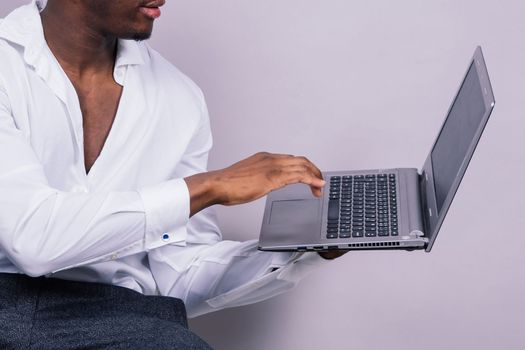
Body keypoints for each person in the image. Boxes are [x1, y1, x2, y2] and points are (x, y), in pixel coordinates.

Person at [0, 0, 345, 348]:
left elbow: (175, 275)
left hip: (123, 316)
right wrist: (206, 188)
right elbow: (34, 242)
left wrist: (299, 249)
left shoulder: (178, 97)